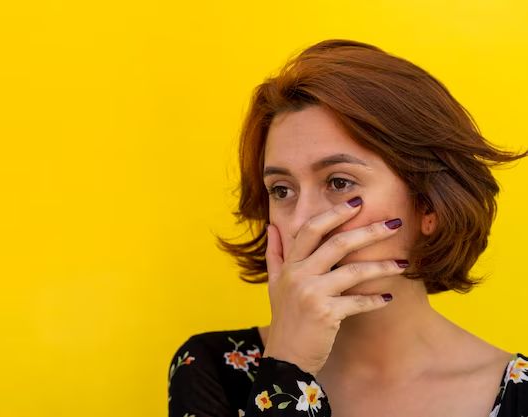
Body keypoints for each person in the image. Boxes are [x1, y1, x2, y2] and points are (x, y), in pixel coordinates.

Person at [167, 39, 528, 417]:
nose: (302, 218)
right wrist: (288, 367)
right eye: (281, 190)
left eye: (339, 182)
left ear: (429, 204)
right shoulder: (212, 371)